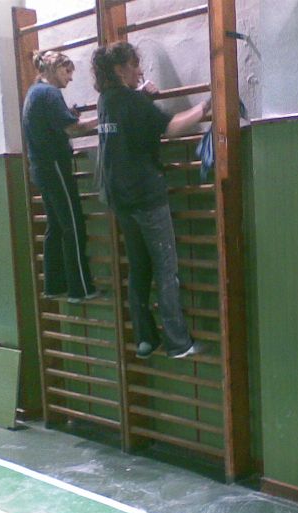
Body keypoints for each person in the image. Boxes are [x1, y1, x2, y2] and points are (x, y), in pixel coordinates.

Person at [92, 41, 210, 360]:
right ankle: (178, 342)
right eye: (134, 65)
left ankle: (145, 338)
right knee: (166, 269)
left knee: (139, 268)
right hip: (146, 197)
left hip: (120, 200)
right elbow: (170, 127)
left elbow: (128, 121)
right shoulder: (131, 101)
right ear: (120, 69)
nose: (140, 70)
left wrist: (143, 95)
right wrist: (204, 108)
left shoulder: (106, 100)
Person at [22, 50, 100, 304]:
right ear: (55, 69)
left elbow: (56, 125)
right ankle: (80, 289)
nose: (70, 78)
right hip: (54, 166)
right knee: (73, 225)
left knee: (56, 226)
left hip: (41, 168)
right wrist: (103, 116)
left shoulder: (34, 92)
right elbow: (73, 129)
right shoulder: (49, 93)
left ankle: (54, 285)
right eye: (67, 72)